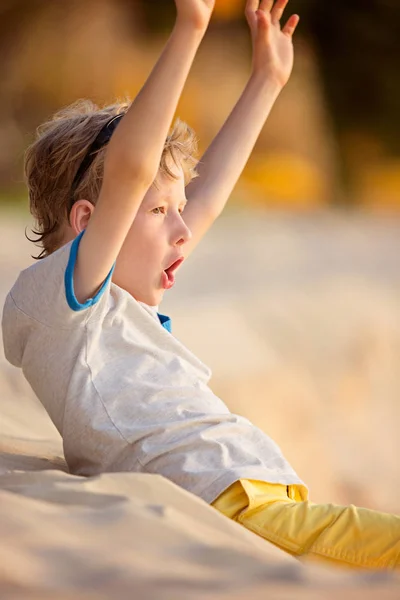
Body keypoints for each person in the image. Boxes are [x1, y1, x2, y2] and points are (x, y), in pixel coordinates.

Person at [2, 0, 399, 571]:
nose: (185, 230)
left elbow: (205, 189)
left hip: (268, 500)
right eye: (159, 209)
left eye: (177, 209)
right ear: (89, 220)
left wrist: (266, 81)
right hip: (233, 504)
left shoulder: (114, 309)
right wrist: (191, 27)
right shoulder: (63, 306)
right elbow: (131, 171)